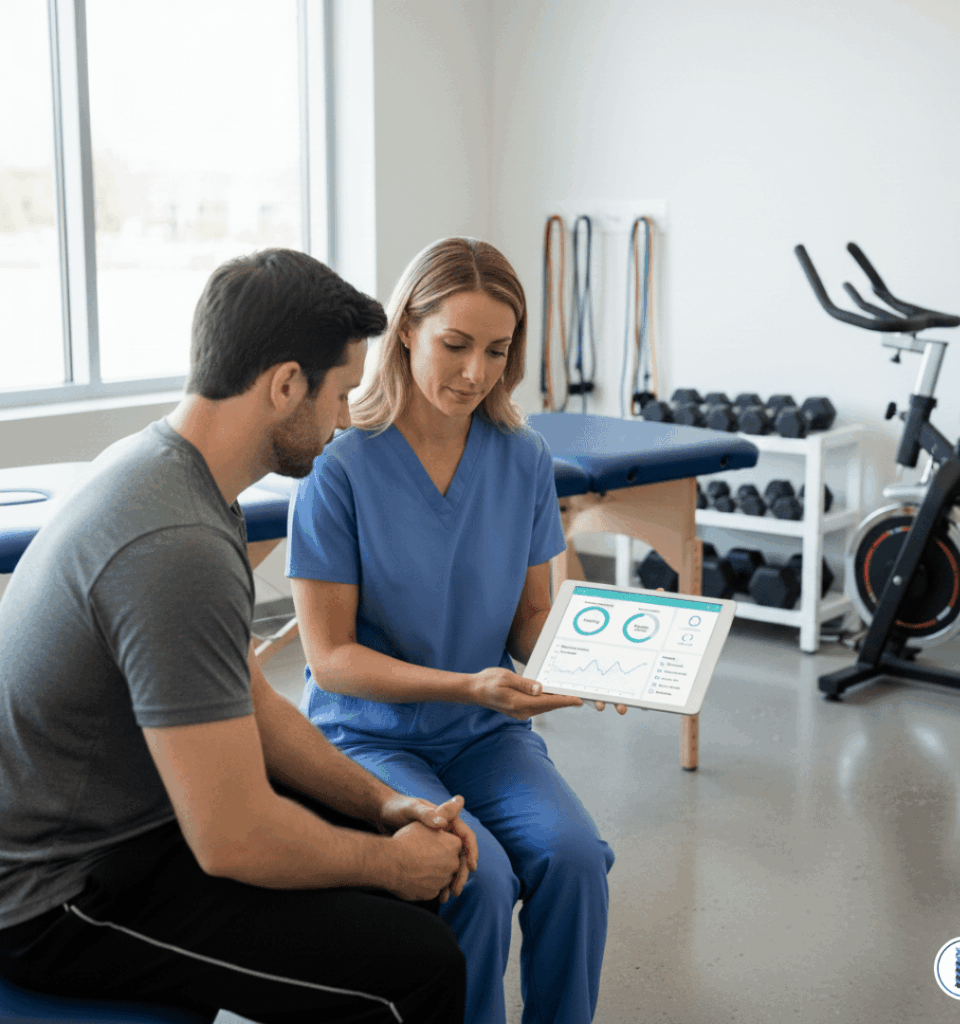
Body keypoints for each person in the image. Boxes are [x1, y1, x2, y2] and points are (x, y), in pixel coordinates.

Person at [0, 249, 477, 1024]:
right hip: (58, 894)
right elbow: (232, 839)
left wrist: (385, 805)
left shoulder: (174, 469)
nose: (345, 419)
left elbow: (252, 701)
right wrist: (390, 866)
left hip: (131, 820)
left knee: (395, 885)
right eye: (340, 394)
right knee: (419, 969)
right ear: (286, 384)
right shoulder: (177, 544)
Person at [287, 237, 620, 1024]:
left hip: (484, 736)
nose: (476, 373)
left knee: (576, 859)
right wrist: (470, 685)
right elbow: (330, 660)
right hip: (370, 737)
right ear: (406, 330)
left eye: (497, 352)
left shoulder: (523, 458)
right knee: (481, 875)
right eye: (456, 344)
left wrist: (595, 660)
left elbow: (533, 618)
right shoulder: (340, 468)